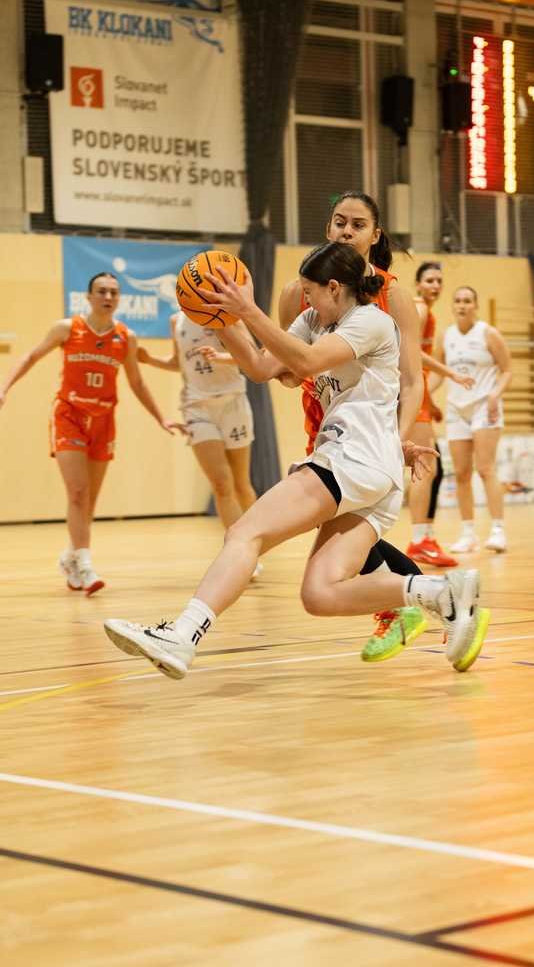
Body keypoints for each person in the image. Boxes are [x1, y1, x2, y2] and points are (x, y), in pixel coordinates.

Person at [103, 243, 490, 678]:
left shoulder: (371, 321)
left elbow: (305, 361)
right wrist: (223, 319)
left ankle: (182, 635)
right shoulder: (312, 321)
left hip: (353, 457)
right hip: (370, 467)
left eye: (310, 292)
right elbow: (259, 367)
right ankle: (440, 592)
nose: (304, 300)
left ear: (334, 287)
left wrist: (248, 310)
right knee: (319, 594)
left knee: (244, 533)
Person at [279, 191, 433, 662]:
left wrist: (399, 436)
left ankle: (413, 603)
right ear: (328, 228)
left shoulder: (392, 293)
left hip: (373, 427)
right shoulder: (297, 292)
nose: (346, 230)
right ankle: (435, 600)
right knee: (342, 528)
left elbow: (412, 378)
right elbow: (290, 368)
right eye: (339, 221)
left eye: (358, 224)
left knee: (343, 528)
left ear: (375, 235)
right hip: (326, 418)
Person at [0, 271, 177, 594]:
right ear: (89, 297)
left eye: (113, 292)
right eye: (102, 291)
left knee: (89, 501)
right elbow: (31, 356)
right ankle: (85, 565)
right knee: (78, 492)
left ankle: (70, 556)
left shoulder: (126, 337)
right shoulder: (67, 328)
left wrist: (161, 418)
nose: (108, 297)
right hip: (69, 415)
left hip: (104, 419)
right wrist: (5, 386)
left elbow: (137, 382)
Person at [136, 312, 257, 530]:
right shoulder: (176, 321)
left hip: (232, 402)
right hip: (197, 408)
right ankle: (236, 544)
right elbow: (179, 362)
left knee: (241, 484)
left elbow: (253, 354)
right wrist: (150, 360)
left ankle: (258, 538)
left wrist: (220, 357)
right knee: (221, 484)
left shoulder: (228, 315)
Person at [404, 262, 474, 568]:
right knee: (424, 466)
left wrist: (430, 401)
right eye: (429, 280)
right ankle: (419, 540)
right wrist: (451, 373)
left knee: (434, 467)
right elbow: (411, 353)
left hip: (417, 393)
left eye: (439, 281)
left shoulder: (424, 311)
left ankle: (425, 536)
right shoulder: (419, 309)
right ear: (418, 284)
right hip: (409, 392)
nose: (435, 285)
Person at [436, 285, 512, 554]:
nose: (462, 305)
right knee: (461, 473)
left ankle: (498, 531)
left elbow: (507, 370)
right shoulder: (446, 336)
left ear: (475, 305)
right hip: (456, 408)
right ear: (453, 305)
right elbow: (438, 372)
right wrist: (425, 397)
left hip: (484, 406)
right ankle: (468, 533)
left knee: (486, 468)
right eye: (458, 301)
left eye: (467, 301)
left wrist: (495, 395)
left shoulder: (488, 333)